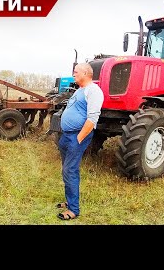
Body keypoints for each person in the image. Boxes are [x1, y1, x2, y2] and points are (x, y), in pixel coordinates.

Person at [56, 63, 104, 220]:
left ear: (85, 73)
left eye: (76, 72)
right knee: (66, 169)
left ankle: (74, 210)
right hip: (67, 135)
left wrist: (78, 139)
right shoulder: (80, 90)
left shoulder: (94, 91)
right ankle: (69, 201)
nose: (74, 74)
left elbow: (92, 119)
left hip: (76, 136)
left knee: (70, 170)